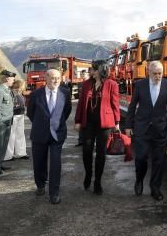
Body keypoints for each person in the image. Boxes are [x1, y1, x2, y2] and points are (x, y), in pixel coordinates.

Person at [125, 60, 167, 201]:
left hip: (160, 130)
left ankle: (155, 188)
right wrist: (128, 126)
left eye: (160, 73)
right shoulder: (140, 85)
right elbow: (132, 106)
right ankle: (139, 179)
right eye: (155, 74)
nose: (158, 76)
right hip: (142, 129)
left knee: (159, 161)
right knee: (141, 158)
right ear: (148, 72)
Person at [74, 60, 120, 195]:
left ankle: (97, 181)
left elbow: (115, 104)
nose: (90, 71)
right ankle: (88, 174)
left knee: (101, 153)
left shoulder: (112, 84)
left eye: (93, 69)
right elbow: (81, 104)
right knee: (86, 151)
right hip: (88, 123)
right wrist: (77, 120)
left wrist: (117, 122)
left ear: (100, 70)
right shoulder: (86, 84)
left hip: (104, 123)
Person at [26, 69, 72, 204]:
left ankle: (54, 193)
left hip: (57, 134)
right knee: (39, 162)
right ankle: (40, 185)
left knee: (55, 163)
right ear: (46, 78)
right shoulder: (36, 94)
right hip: (39, 133)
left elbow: (67, 111)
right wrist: (42, 123)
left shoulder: (65, 93)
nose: (56, 81)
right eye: (53, 78)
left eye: (58, 78)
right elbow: (31, 113)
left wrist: (55, 123)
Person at [0, 69, 15, 175]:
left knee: (4, 144)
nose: (13, 81)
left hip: (8, 120)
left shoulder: (8, 90)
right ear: (6, 79)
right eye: (12, 79)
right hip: (1, 122)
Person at [4, 78, 28, 161]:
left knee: (20, 134)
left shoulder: (20, 93)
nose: (20, 88)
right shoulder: (11, 93)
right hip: (13, 115)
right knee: (11, 135)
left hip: (20, 115)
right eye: (20, 86)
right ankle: (8, 156)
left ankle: (21, 153)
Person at [75, 69, 89, 147]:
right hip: (81, 105)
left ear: (87, 75)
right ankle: (80, 141)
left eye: (84, 74)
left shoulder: (90, 83)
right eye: (82, 75)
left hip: (87, 106)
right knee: (80, 123)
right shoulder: (80, 84)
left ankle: (86, 140)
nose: (82, 76)